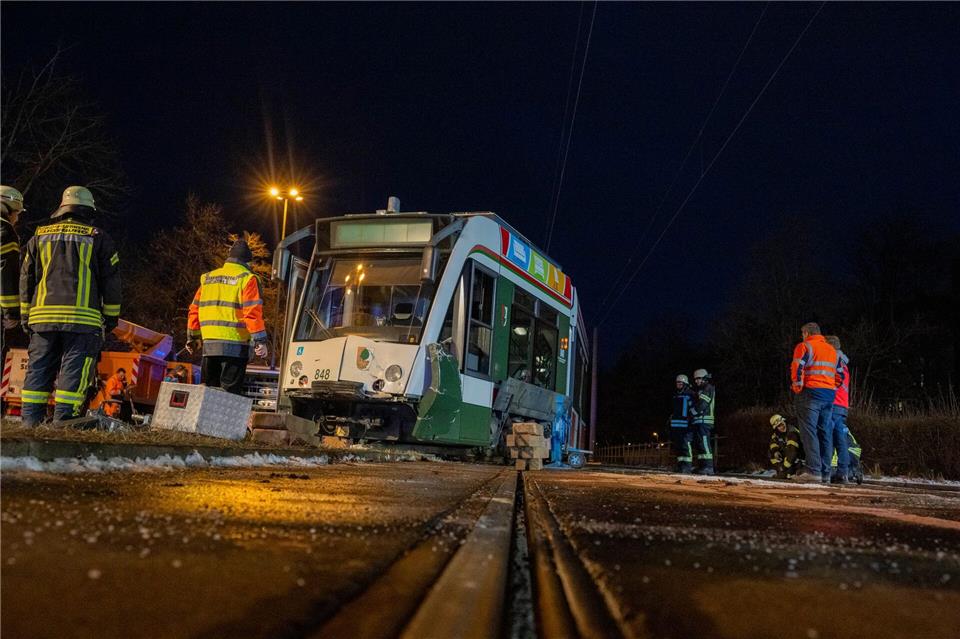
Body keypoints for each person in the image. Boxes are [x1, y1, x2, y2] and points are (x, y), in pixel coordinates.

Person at [19, 187, 121, 426]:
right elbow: (112, 281)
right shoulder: (98, 237)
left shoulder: (39, 236)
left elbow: (26, 278)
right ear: (88, 210)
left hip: (42, 319)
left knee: (38, 370)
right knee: (74, 374)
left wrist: (25, 315)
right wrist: (111, 317)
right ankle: (64, 425)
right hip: (82, 321)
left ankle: (29, 425)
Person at [186, 239, 268, 395]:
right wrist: (260, 341)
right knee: (228, 397)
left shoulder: (208, 278)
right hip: (235, 347)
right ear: (247, 262)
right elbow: (252, 312)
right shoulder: (247, 278)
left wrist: (193, 337)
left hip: (209, 347)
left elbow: (194, 309)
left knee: (208, 395)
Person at [789, 322, 842, 483]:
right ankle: (826, 472)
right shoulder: (832, 350)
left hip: (810, 393)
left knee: (808, 431)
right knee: (825, 433)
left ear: (806, 333)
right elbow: (839, 375)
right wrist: (831, 387)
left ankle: (813, 470)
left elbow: (797, 368)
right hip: (828, 395)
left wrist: (797, 387)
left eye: (802, 333)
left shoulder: (804, 346)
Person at [825, 335, 851, 484]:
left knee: (827, 438)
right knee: (841, 440)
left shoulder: (833, 359)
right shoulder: (843, 362)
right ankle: (843, 473)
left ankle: (826, 472)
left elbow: (834, 380)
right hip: (842, 405)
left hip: (833, 404)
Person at [1, 186, 25, 332]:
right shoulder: (4, 231)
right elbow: (6, 272)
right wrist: (12, 312)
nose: (16, 218)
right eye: (17, 213)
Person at [691, 368, 716, 475]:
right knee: (700, 444)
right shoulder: (701, 389)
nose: (696, 381)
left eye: (698, 379)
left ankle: (708, 467)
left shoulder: (708, 388)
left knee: (705, 443)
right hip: (699, 421)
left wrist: (692, 411)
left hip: (705, 420)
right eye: (695, 379)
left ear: (704, 378)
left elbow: (702, 404)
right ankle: (702, 466)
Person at [670, 374, 696, 473]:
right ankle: (681, 466)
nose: (678, 385)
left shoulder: (690, 394)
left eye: (680, 383)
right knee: (678, 446)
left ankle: (687, 466)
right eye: (677, 383)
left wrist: (692, 418)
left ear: (685, 384)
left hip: (686, 424)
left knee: (685, 445)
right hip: (676, 424)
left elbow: (693, 408)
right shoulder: (676, 395)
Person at [769, 414, 804, 479]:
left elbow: (792, 452)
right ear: (776, 428)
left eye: (782, 424)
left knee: (789, 454)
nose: (782, 427)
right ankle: (782, 471)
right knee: (771, 453)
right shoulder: (776, 434)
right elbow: (773, 443)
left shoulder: (792, 432)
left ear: (784, 421)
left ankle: (788, 472)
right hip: (788, 456)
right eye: (779, 426)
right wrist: (775, 451)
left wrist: (784, 467)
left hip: (798, 457)